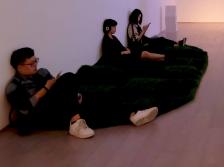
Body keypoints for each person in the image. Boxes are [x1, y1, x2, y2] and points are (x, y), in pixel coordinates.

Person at [5, 47, 158, 138]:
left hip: (59, 106)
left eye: (36, 60)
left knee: (95, 101)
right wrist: (46, 88)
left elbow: (58, 90)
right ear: (19, 66)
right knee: (68, 77)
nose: (35, 65)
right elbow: (25, 109)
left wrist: (74, 94)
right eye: (31, 63)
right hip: (40, 115)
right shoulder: (13, 86)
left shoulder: (42, 72)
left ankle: (132, 114)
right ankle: (75, 122)